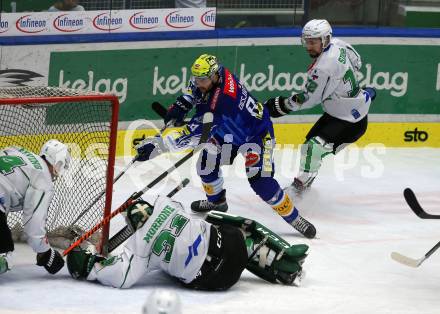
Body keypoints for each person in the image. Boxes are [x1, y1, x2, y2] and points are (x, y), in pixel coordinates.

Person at [135, 54, 316, 238]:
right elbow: (194, 91)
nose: (199, 82)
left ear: (214, 76)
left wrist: (158, 146)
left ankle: (294, 218)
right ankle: (217, 202)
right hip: (227, 131)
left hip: (257, 135)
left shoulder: (223, 101)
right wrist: (182, 104)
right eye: (197, 78)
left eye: (203, 79)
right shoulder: (216, 74)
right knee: (206, 166)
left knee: (261, 182)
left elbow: (192, 134)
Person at [66, 195, 309, 289]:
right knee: (215, 220)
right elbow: (175, 209)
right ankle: (280, 260)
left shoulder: (139, 246)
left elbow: (123, 276)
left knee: (164, 267)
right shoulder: (166, 204)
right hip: (233, 248)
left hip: (216, 279)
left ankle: (270, 259)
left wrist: (89, 266)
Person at [265, 19, 377, 194]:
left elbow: (308, 99)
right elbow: (357, 62)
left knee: (312, 149)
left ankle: (299, 190)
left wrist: (279, 106)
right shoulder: (339, 44)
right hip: (344, 110)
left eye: (313, 42)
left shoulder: (323, 67)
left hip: (349, 121)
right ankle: (304, 185)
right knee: (308, 148)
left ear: (325, 39)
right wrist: (348, 89)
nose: (308, 46)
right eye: (306, 41)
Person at [0, 139, 71, 275]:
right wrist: (46, 253)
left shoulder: (18, 150)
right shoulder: (42, 177)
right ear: (58, 162)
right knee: (4, 256)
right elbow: (34, 225)